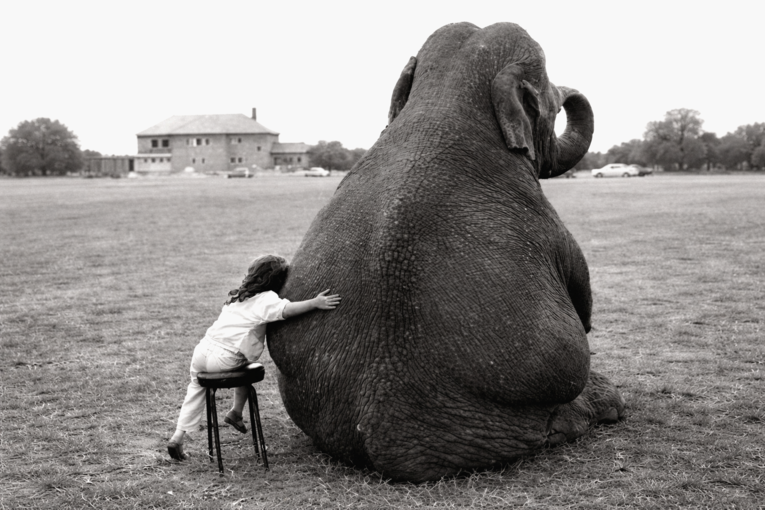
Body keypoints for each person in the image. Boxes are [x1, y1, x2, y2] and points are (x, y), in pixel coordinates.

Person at [167, 254, 341, 461]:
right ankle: (236, 411)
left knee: (196, 388)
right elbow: (286, 310)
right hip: (225, 357)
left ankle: (178, 436)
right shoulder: (266, 299)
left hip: (202, 351)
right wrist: (315, 303)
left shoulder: (237, 296)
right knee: (246, 369)